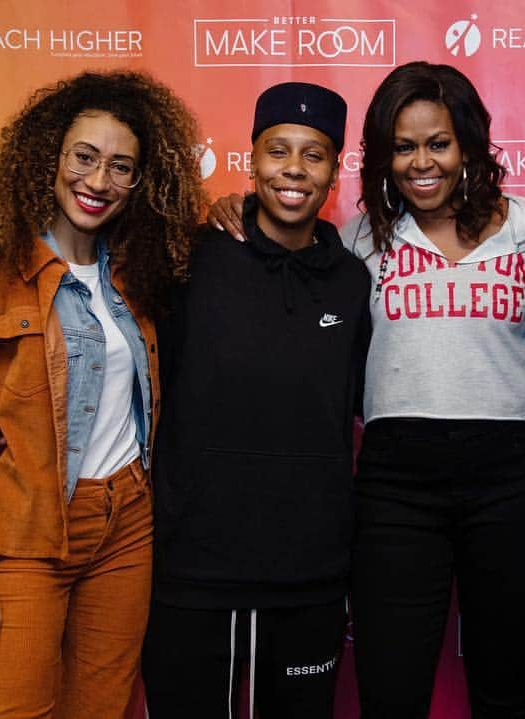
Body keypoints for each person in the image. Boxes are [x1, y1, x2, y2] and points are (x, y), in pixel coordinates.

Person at [209, 61, 525, 719]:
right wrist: (233, 208)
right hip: (397, 483)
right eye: (403, 146)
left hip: (513, 475)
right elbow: (271, 251)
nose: (421, 161)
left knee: (503, 682)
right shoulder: (357, 240)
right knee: (389, 689)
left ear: (469, 145)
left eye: (438, 143)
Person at [0, 71, 205, 717]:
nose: (99, 180)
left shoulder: (138, 269)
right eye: (84, 157)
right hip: (29, 534)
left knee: (101, 707)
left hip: (127, 525)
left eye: (121, 166)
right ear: (48, 155)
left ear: (141, 180)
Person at [141, 82, 370, 719]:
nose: (294, 169)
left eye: (314, 154)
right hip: (196, 566)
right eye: (278, 151)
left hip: (311, 569)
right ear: (251, 160)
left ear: (335, 169)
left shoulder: (353, 282)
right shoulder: (189, 259)